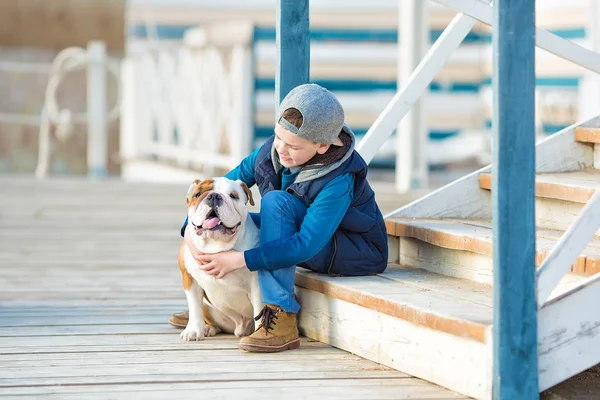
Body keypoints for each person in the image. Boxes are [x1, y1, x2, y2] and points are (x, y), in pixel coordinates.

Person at [174, 83, 388, 352]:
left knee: (275, 204)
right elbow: (219, 189)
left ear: (323, 146)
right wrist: (191, 232)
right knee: (232, 216)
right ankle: (221, 305)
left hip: (349, 250)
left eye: (293, 146)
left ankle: (279, 317)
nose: (282, 150)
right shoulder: (273, 150)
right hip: (305, 229)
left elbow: (306, 244)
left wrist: (241, 259)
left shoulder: (339, 181)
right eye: (278, 137)